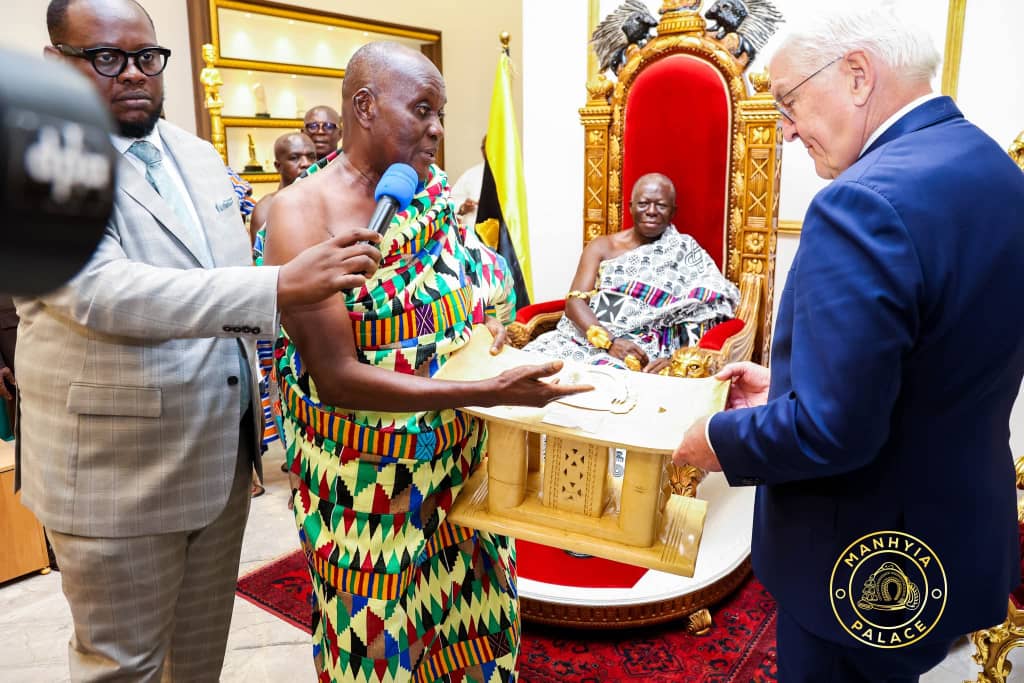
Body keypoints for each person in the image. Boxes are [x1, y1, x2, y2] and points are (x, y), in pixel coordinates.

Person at [19, 1, 382, 680]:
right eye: (105, 58)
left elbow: (221, 279)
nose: (132, 74)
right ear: (54, 63)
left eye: (146, 58)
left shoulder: (194, 153)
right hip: (116, 472)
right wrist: (279, 286)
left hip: (217, 458)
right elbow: (101, 292)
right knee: (122, 666)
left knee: (197, 660)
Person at [671, 7, 1024, 682]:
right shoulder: (996, 170)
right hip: (953, 534)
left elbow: (836, 434)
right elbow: (936, 359)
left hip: (860, 557)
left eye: (789, 101)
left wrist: (717, 439)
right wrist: (788, 391)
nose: (786, 127)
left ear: (858, 75)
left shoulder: (861, 202)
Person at [262, 41, 590, 682]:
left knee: (476, 622)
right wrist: (489, 391)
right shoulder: (300, 214)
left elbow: (479, 286)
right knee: (378, 643)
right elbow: (336, 377)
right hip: (363, 489)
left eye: (441, 114)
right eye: (422, 111)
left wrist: (494, 327)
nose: (438, 130)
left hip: (460, 467)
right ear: (364, 106)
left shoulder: (431, 193)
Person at [526, 173, 738, 372]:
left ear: (673, 212)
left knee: (608, 387)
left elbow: (708, 308)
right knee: (531, 367)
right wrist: (610, 342)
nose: (652, 211)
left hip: (642, 351)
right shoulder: (602, 246)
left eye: (661, 205)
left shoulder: (685, 251)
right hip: (585, 337)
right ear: (631, 207)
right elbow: (575, 302)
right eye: (644, 203)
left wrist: (676, 358)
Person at [249, 131, 316, 243]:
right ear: (278, 166)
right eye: (294, 158)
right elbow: (260, 259)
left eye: (311, 157)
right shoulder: (266, 208)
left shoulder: (325, 199)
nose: (306, 163)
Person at [450, 135, 486, 228]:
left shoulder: (512, 176)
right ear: (482, 150)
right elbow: (451, 202)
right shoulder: (470, 175)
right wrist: (463, 207)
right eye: (485, 147)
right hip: (473, 237)